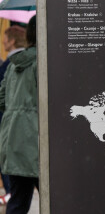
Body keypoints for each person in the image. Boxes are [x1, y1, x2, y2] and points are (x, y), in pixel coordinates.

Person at [0, 16, 38, 214]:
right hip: (39, 143)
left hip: (14, 141)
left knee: (18, 201)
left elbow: (1, 99)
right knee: (58, 198)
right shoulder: (45, 63)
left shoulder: (13, 64)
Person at [0, 25, 26, 205]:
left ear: (12, 41)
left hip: (8, 120)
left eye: (5, 38)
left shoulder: (11, 64)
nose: (3, 41)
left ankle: (10, 192)